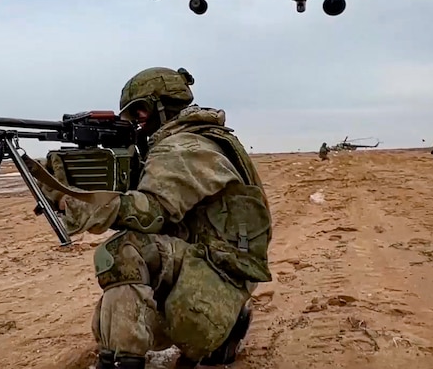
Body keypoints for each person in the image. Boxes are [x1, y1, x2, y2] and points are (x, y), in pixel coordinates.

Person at [32, 67, 273, 369]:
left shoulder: (184, 147)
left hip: (216, 271)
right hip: (218, 264)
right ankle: (225, 327)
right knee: (127, 284)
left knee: (124, 251)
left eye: (139, 113)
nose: (135, 122)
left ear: (160, 105)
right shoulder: (196, 136)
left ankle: (123, 361)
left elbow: (151, 213)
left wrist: (71, 199)